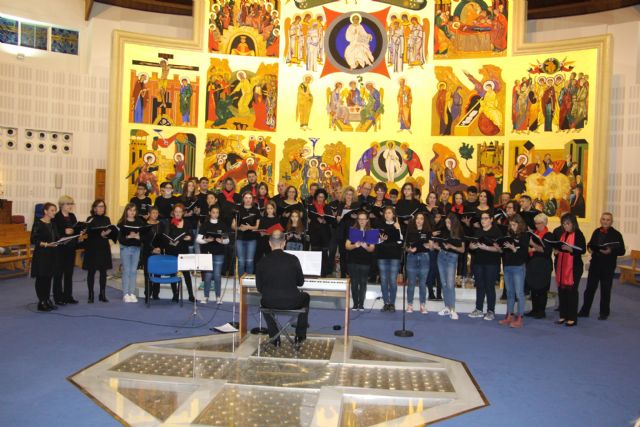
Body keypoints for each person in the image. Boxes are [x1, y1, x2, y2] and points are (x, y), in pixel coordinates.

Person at [256, 230, 309, 345]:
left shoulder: (262, 261)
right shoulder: (293, 259)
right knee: (306, 297)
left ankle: (274, 337)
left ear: (270, 243)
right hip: (292, 302)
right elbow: (300, 283)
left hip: (270, 302)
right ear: (284, 243)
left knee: (263, 300)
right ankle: (300, 336)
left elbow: (259, 288)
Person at [579, 212, 626, 320]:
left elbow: (622, 250)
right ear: (601, 220)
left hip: (608, 266)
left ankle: (604, 313)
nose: (605, 221)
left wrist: (611, 250)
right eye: (603, 219)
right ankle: (585, 310)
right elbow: (590, 244)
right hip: (595, 264)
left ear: (611, 221)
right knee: (589, 289)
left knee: (605, 289)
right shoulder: (596, 231)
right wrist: (589, 248)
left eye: (608, 220)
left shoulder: (617, 234)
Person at [468, 212, 503, 320]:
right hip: (478, 262)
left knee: (489, 286)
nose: (483, 220)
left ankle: (490, 311)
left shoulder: (496, 232)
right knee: (480, 286)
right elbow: (471, 245)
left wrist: (486, 248)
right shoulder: (478, 231)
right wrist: (472, 246)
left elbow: (500, 249)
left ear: (491, 219)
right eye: (482, 218)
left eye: (485, 218)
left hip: (491, 263)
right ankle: (478, 309)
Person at [553, 213, 586, 327]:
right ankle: (563, 315)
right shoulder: (563, 234)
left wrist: (571, 249)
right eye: (564, 224)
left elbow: (582, 250)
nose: (565, 226)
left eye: (567, 224)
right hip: (562, 267)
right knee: (562, 291)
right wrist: (557, 251)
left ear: (573, 223)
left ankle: (572, 317)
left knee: (571, 291)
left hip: (574, 268)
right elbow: (560, 248)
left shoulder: (578, 234)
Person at [499, 214, 530, 328]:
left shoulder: (524, 236)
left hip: (518, 266)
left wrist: (514, 249)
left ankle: (520, 317)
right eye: (510, 225)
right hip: (507, 266)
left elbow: (524, 254)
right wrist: (500, 249)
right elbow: (505, 252)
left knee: (519, 293)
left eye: (514, 225)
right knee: (509, 293)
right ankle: (509, 315)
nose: (512, 227)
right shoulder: (509, 235)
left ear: (519, 224)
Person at [83, 200, 117, 303]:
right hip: (92, 248)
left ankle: (102, 294)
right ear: (94, 208)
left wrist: (109, 233)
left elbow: (109, 233)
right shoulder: (90, 219)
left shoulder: (107, 219)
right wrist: (100, 234)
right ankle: (91, 295)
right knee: (91, 272)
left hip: (103, 248)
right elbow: (88, 234)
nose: (101, 208)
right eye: (99, 206)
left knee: (103, 272)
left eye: (103, 206)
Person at [31, 202, 61, 311]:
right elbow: (33, 240)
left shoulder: (53, 224)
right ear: (45, 211)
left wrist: (61, 241)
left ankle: (47, 299)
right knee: (41, 278)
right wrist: (47, 244)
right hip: (41, 254)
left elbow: (57, 237)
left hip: (52, 254)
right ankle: (41, 301)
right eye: (52, 210)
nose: (54, 212)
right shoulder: (38, 223)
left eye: (55, 210)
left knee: (49, 277)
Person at [434, 213, 465, 320]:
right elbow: (439, 245)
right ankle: (447, 307)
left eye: (449, 223)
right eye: (446, 222)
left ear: (454, 222)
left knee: (450, 284)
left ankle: (453, 309)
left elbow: (462, 249)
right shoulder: (443, 231)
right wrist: (437, 246)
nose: (447, 225)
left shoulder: (459, 231)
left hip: (452, 257)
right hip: (441, 256)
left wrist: (451, 246)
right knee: (444, 283)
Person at [197, 205, 230, 304]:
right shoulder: (205, 225)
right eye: (213, 212)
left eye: (217, 212)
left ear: (219, 214)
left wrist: (221, 241)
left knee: (217, 275)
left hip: (219, 252)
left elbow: (227, 240)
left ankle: (218, 297)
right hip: (207, 253)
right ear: (210, 213)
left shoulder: (222, 225)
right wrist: (206, 240)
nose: (215, 214)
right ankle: (206, 296)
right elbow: (198, 239)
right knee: (207, 275)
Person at [163, 203, 195, 302]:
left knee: (186, 274)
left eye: (180, 212)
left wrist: (189, 238)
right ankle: (175, 294)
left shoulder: (187, 222)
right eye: (176, 211)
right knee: (173, 273)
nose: (177, 213)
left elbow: (191, 237)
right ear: (173, 212)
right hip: (172, 250)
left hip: (183, 250)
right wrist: (170, 242)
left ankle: (191, 295)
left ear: (183, 213)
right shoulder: (169, 222)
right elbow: (165, 237)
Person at [52, 195, 80, 305]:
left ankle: (68, 296)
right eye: (68, 204)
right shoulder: (56, 217)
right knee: (58, 274)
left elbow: (75, 230)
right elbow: (54, 233)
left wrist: (78, 232)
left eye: (72, 204)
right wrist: (65, 232)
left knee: (69, 273)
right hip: (60, 249)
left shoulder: (72, 216)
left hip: (70, 248)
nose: (71, 206)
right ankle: (58, 298)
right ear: (62, 205)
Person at [346, 211, 376, 311]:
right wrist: (355, 245)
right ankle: (355, 304)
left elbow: (372, 248)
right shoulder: (353, 230)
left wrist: (365, 247)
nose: (362, 221)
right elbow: (347, 246)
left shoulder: (371, 231)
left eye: (364, 219)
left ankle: (361, 304)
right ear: (357, 220)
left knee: (363, 283)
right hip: (353, 261)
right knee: (354, 283)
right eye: (360, 219)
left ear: (367, 220)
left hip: (365, 261)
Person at [526, 213, 554, 319]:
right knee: (533, 287)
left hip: (544, 265)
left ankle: (541, 311)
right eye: (535, 223)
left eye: (538, 223)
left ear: (544, 223)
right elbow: (530, 248)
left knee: (542, 288)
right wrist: (532, 247)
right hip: (533, 263)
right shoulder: (534, 234)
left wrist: (533, 245)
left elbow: (546, 250)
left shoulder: (549, 235)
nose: (536, 225)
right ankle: (534, 309)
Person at [375, 206, 402, 312]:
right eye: (386, 213)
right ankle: (386, 303)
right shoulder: (380, 225)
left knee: (392, 280)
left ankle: (392, 303)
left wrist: (398, 228)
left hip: (394, 256)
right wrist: (381, 240)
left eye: (389, 213)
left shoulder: (397, 225)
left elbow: (400, 241)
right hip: (382, 255)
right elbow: (376, 241)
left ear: (393, 215)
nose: (387, 215)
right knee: (384, 280)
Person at [117, 203, 145, 302]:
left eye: (134, 210)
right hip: (125, 248)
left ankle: (132, 293)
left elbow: (144, 237)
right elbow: (120, 239)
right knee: (127, 270)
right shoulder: (121, 223)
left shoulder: (139, 222)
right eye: (130, 210)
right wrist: (128, 236)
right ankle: (125, 293)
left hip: (136, 249)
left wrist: (139, 237)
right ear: (126, 211)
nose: (132, 212)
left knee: (133, 271)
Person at [405, 212, 431, 314]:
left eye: (421, 219)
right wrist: (409, 250)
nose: (419, 220)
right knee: (411, 282)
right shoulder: (409, 231)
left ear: (424, 221)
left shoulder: (428, 232)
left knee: (422, 283)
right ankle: (410, 305)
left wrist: (430, 245)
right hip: (412, 257)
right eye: (417, 218)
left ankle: (422, 305)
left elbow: (431, 246)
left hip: (424, 257)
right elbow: (406, 247)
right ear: (414, 220)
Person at [232, 192, 261, 276]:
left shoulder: (256, 211)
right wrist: (239, 228)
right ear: (243, 199)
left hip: (252, 239)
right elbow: (233, 225)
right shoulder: (238, 210)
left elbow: (257, 227)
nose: (248, 200)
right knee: (241, 261)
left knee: (249, 261)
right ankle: (241, 284)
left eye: (250, 198)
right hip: (240, 238)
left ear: (252, 199)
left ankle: (248, 282)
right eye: (246, 198)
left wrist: (249, 227)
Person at [308, 188, 334, 276]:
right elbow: (310, 215)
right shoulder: (311, 206)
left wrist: (325, 220)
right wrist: (317, 218)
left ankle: (324, 273)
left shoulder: (327, 207)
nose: (320, 199)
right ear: (316, 197)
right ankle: (315, 272)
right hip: (315, 233)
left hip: (325, 234)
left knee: (324, 254)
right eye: (319, 197)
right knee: (315, 253)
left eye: (322, 197)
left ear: (325, 198)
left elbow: (330, 219)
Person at [336, 186, 360, 277]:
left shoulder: (356, 205)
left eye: (351, 194)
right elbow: (337, 218)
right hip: (342, 232)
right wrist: (338, 218)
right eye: (347, 194)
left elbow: (362, 219)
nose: (349, 196)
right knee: (342, 254)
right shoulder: (341, 205)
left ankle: (351, 274)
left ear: (353, 195)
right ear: (344, 195)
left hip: (353, 232)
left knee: (352, 254)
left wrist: (356, 218)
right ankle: (343, 275)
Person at [141, 206, 163, 301]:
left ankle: (156, 293)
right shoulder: (144, 225)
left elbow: (164, 238)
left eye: (156, 213)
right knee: (147, 273)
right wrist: (152, 249)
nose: (155, 215)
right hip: (148, 251)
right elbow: (143, 240)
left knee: (158, 273)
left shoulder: (161, 225)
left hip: (159, 251)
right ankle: (147, 293)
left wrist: (160, 248)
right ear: (149, 214)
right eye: (153, 213)